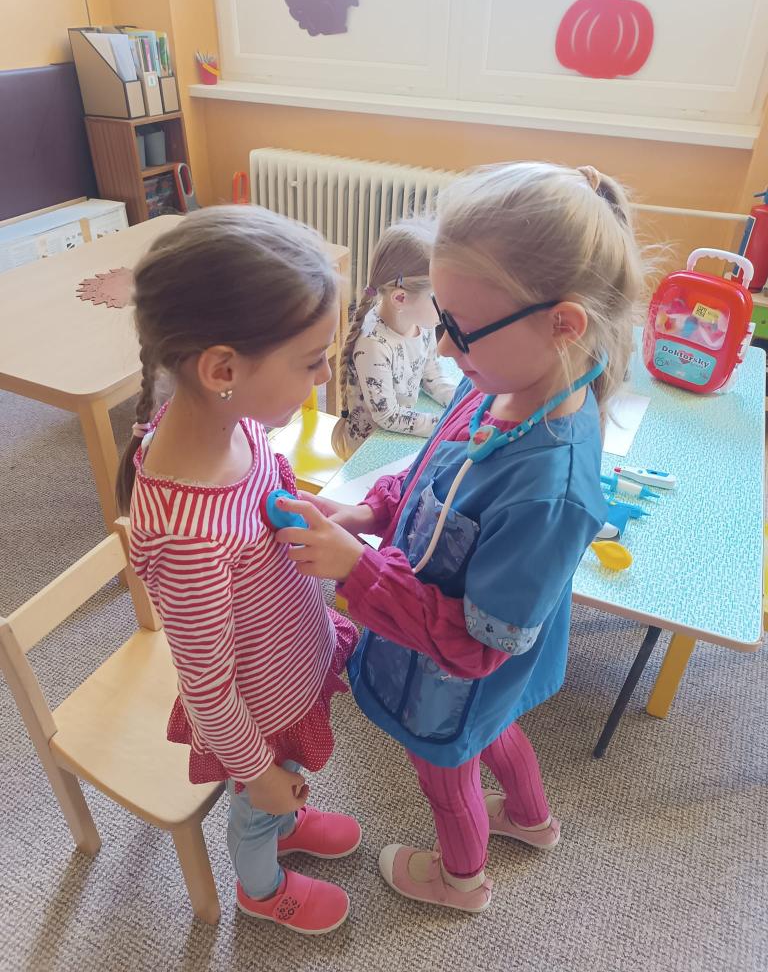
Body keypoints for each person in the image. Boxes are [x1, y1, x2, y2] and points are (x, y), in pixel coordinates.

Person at [275, 162, 646, 912]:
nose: (443, 349)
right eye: (441, 320)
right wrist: (371, 515)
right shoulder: (504, 383)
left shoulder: (550, 490)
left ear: (564, 324)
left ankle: (460, 880)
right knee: (494, 729)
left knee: (448, 767)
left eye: (461, 330)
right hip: (477, 673)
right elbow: (432, 478)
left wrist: (357, 571)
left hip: (458, 672)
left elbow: (477, 651)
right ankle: (531, 820)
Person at [115, 206, 360, 935]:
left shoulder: (233, 421)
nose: (324, 377)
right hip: (257, 711)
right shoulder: (189, 538)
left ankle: (286, 817)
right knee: (257, 810)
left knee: (283, 789)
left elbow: (264, 498)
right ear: (222, 370)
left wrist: (302, 515)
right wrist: (258, 774)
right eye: (311, 362)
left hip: (287, 661)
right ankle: (261, 885)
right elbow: (208, 688)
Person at [332, 218, 456, 459]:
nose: (447, 306)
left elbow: (431, 375)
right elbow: (387, 416)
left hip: (400, 434)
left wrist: (458, 402)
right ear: (400, 299)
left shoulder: (422, 324)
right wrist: (443, 425)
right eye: (439, 296)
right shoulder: (373, 345)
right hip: (370, 450)